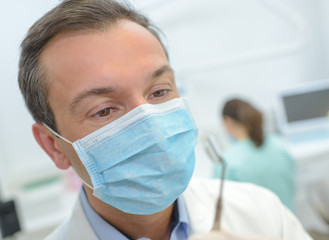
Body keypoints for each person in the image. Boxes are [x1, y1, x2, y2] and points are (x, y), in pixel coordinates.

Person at [18, 0, 312, 239]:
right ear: (53, 145)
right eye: (104, 110)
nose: (152, 128)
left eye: (159, 92)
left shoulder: (261, 212)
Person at [214, 98, 295, 211]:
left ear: (227, 121)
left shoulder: (227, 162)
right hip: (289, 221)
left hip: (257, 227)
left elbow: (218, 203)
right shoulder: (279, 145)